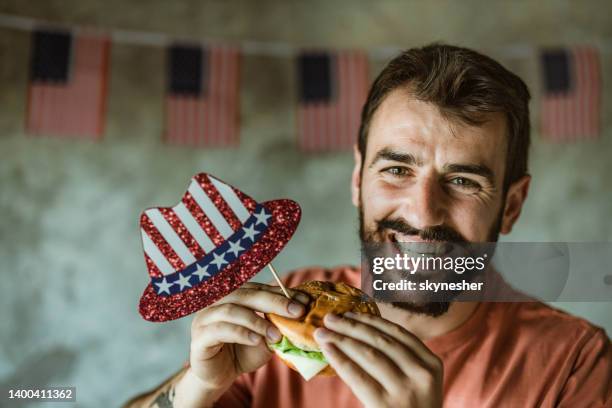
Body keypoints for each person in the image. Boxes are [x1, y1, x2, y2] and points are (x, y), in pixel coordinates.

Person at [126, 44, 611, 407]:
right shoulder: (283, 310)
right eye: (397, 170)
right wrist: (197, 388)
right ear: (359, 180)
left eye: (462, 181)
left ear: (511, 204)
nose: (422, 214)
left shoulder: (573, 362)